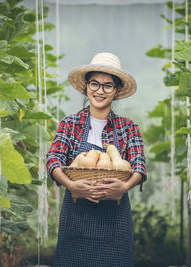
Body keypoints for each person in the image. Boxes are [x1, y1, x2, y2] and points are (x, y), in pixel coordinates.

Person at [46, 52, 146, 267]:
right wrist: (72, 185)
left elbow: (139, 164)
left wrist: (123, 187)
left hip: (115, 225)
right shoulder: (69, 124)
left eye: (108, 85)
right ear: (86, 87)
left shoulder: (128, 127)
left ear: (116, 90)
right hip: (76, 222)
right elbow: (53, 159)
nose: (100, 91)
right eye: (95, 84)